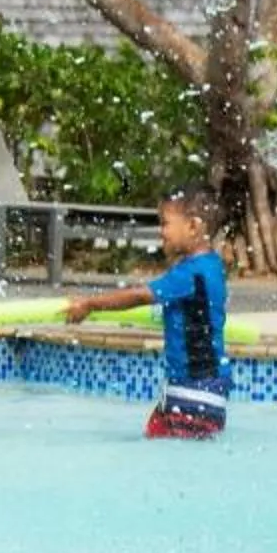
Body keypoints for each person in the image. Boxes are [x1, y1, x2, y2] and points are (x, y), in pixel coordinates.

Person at [64, 187, 230, 439]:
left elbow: (140, 296)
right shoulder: (211, 265)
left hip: (193, 393)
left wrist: (89, 304)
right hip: (200, 389)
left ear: (194, 227)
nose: (161, 232)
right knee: (155, 437)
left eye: (165, 224)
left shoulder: (191, 273)